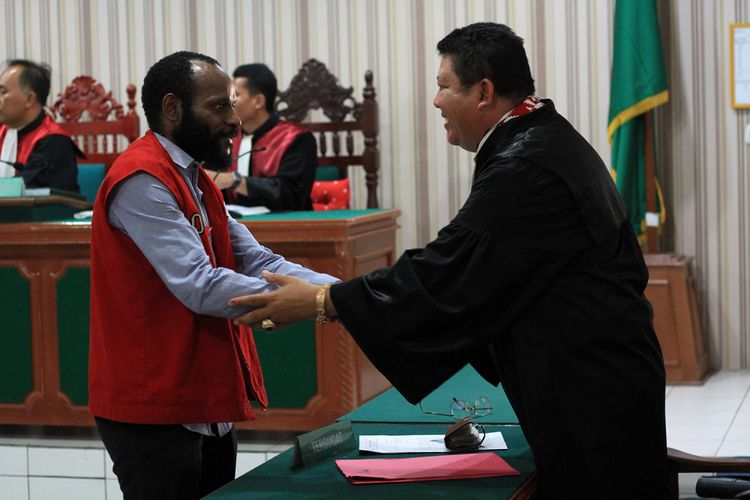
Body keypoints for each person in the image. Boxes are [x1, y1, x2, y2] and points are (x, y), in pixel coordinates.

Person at [228, 23, 668, 499]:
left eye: (442, 85)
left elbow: (447, 273)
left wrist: (323, 301)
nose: (435, 101)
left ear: (483, 92)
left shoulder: (525, 165)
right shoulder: (539, 137)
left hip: (591, 390)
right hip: (599, 372)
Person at [88, 51, 336, 500]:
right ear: (172, 109)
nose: (234, 120)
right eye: (219, 106)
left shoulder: (195, 178)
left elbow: (259, 260)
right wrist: (315, 302)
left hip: (202, 395)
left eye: (233, 105)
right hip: (155, 404)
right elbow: (199, 284)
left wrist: (344, 294)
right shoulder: (142, 179)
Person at [204, 63, 317, 211]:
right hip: (233, 227)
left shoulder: (298, 139)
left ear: (258, 101)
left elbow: (291, 195)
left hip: (286, 227)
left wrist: (233, 180)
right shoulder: (224, 138)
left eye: (235, 95)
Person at [0, 59, 80, 191]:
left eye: (3, 92)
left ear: (29, 99)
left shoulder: (53, 141)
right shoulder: (3, 131)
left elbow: (23, 190)